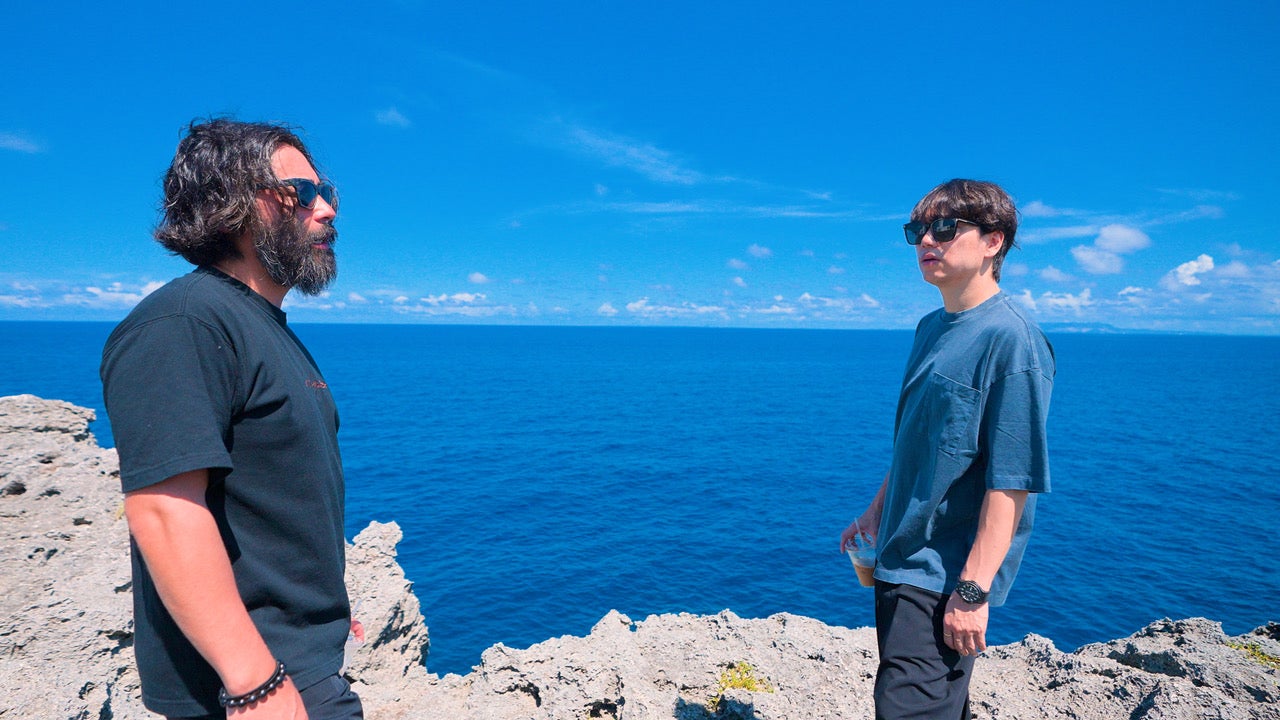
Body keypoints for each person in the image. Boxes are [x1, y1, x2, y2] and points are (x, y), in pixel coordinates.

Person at [101, 118, 362, 720]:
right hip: (246, 690)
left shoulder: (260, 327)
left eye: (328, 194)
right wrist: (253, 681)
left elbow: (271, 496)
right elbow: (164, 510)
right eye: (300, 193)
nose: (326, 210)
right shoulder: (184, 324)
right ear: (233, 204)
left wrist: (319, 607)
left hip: (297, 666)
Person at [840, 179, 1054, 719]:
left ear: (993, 241)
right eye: (917, 231)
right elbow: (922, 438)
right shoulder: (931, 326)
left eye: (944, 228)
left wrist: (972, 591)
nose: (926, 242)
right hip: (899, 554)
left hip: (941, 573)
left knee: (906, 710)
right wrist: (875, 510)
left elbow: (1012, 481)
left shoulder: (1012, 340)